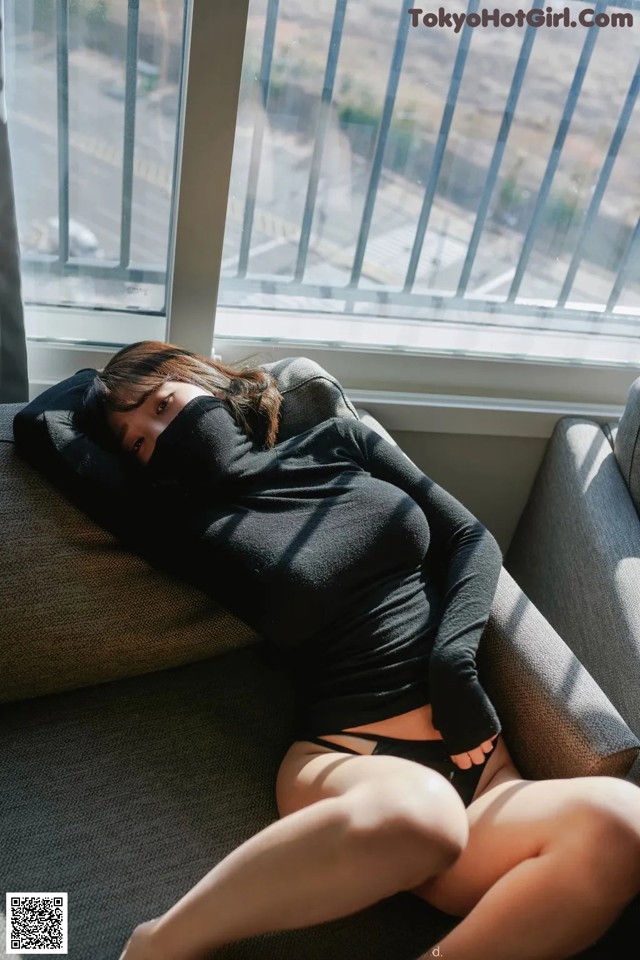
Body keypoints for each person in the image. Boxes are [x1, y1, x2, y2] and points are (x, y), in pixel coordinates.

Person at [80, 341, 640, 960]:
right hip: (351, 756)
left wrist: (453, 664)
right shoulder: (182, 526)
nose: (157, 432)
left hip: (486, 780)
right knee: (422, 813)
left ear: (207, 382)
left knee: (624, 822)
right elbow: (37, 427)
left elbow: (468, 537)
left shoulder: (338, 442)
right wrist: (101, 392)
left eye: (163, 403)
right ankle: (156, 945)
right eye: (136, 442)